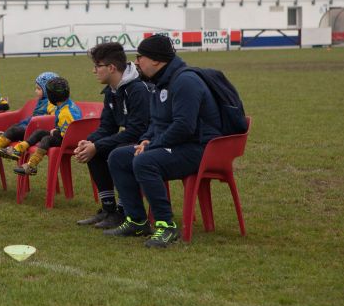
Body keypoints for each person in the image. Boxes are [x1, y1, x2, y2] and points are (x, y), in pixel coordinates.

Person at [105, 34, 222, 248]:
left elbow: (185, 127)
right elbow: (156, 122)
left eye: (140, 57)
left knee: (144, 161)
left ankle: (166, 226)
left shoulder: (185, 81)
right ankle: (137, 221)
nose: (136, 62)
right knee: (119, 157)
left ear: (156, 60)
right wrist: (146, 140)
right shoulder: (160, 82)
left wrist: (153, 145)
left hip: (202, 149)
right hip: (179, 144)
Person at [74, 43, 150, 229]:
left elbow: (136, 131)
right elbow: (107, 127)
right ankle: (109, 210)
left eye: (97, 66)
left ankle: (125, 211)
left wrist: (97, 145)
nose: (94, 71)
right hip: (133, 139)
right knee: (96, 149)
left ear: (111, 68)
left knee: (115, 151)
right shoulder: (111, 90)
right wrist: (89, 142)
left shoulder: (138, 90)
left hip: (148, 142)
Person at [0, 71, 58, 163]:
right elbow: (34, 118)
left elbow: (52, 118)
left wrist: (43, 119)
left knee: (14, 130)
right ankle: (3, 140)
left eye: (39, 89)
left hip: (37, 132)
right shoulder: (42, 101)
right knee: (15, 127)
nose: (35, 91)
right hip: (32, 127)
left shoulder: (51, 103)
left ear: (48, 91)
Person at [13, 77, 82, 176]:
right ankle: (19, 148)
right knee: (39, 132)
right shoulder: (67, 104)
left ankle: (31, 165)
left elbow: (68, 134)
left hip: (69, 140)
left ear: (52, 96)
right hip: (67, 134)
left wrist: (55, 132)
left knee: (46, 139)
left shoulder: (65, 113)